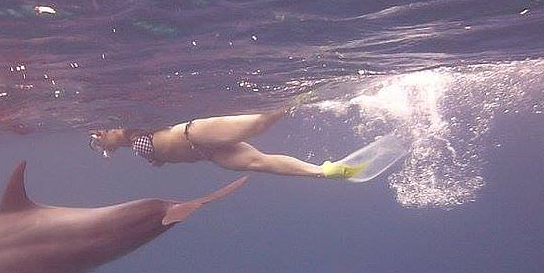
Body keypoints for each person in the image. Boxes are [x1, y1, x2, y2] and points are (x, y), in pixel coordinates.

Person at [88, 110, 365, 179]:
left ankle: (301, 97)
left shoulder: (130, 127)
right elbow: (113, 144)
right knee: (260, 162)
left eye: (102, 133)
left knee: (259, 123)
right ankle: (324, 171)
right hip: (207, 154)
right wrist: (106, 146)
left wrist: (109, 137)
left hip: (194, 135)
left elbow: (121, 131)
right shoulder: (127, 143)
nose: (101, 136)